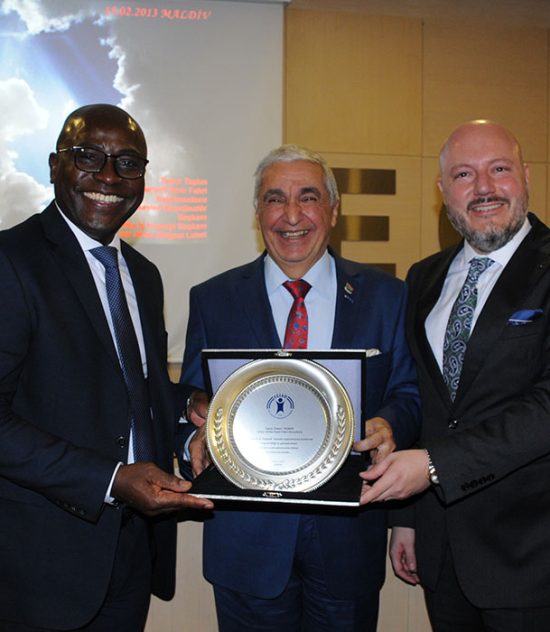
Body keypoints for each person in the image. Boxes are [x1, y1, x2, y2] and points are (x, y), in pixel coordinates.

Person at [177, 144, 420, 631]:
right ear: (258, 213)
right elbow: (190, 399)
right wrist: (192, 438)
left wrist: (389, 424)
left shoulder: (387, 297)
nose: (291, 215)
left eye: (308, 197)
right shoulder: (213, 299)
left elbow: (409, 394)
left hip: (348, 539)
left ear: (333, 210)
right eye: (275, 199)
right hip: (247, 546)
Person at [0, 103, 213, 631]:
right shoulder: (11, 261)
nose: (110, 177)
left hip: (132, 552)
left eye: (128, 163)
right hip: (39, 564)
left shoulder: (143, 274)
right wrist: (112, 480)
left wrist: (187, 404)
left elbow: (131, 385)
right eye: (89, 156)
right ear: (55, 165)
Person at [360, 120, 550, 631]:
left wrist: (434, 466)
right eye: (464, 174)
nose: (484, 187)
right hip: (441, 549)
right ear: (442, 190)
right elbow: (422, 399)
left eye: (499, 169)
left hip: (533, 555)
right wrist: (406, 519)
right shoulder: (424, 277)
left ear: (526, 177)